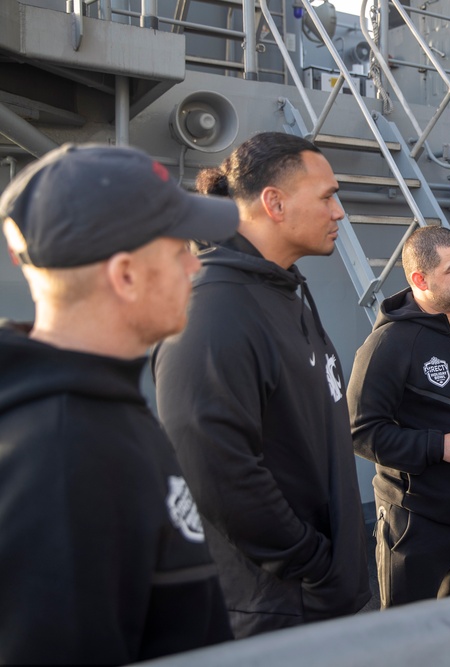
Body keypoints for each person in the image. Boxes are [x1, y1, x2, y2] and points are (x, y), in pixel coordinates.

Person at [0, 143, 238, 664]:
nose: (193, 268)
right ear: (125, 275)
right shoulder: (64, 456)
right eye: (179, 250)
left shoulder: (97, 409)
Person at [151, 132, 370, 637]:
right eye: (327, 196)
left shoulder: (285, 287)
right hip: (277, 608)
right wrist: (313, 563)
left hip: (319, 598)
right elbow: (214, 467)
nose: (338, 212)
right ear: (274, 202)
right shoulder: (213, 309)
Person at [348, 226, 450, 607]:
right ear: (419, 279)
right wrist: (440, 447)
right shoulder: (387, 346)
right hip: (415, 524)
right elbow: (359, 431)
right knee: (410, 644)